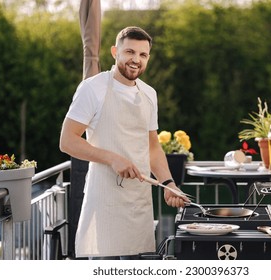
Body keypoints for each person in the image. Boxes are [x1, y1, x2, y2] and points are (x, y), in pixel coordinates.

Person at [59, 26, 188, 259]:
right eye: (130, 52)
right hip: (105, 199)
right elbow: (67, 141)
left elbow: (152, 146)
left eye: (143, 55)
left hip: (138, 201)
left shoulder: (150, 94)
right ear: (114, 52)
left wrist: (168, 183)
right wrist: (112, 158)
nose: (136, 60)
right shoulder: (92, 88)